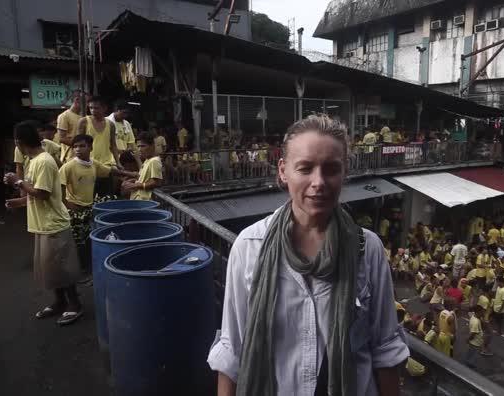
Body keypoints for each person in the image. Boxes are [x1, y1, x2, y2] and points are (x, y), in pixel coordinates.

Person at [207, 115, 408, 395]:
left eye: (331, 169)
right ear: (283, 171)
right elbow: (232, 349)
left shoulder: (367, 249)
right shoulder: (250, 246)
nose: (319, 182)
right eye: (305, 168)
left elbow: (384, 347)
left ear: (344, 172)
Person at [4, 121, 82, 326]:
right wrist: (19, 202)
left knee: (63, 268)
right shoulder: (34, 160)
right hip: (42, 223)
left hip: (53, 224)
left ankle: (74, 305)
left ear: (19, 142)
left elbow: (43, 194)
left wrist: (18, 182)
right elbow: (36, 193)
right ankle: (59, 302)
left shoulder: (44, 161)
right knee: (51, 268)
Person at [59, 134, 138, 280]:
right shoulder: (68, 166)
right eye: (75, 146)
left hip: (89, 207)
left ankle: (90, 270)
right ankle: (80, 273)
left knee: (89, 240)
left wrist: (130, 173)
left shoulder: (93, 163)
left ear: (90, 147)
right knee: (78, 243)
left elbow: (110, 171)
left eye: (82, 146)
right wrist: (68, 205)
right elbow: (59, 187)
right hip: (75, 210)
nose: (78, 149)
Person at [122, 132, 163, 201]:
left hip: (145, 201)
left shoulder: (154, 161)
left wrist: (135, 185)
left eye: (143, 146)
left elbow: (156, 182)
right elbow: (144, 179)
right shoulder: (147, 160)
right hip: (138, 199)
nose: (140, 149)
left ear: (152, 146)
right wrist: (133, 181)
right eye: (138, 146)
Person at [57, 91, 86, 163]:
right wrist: (81, 147)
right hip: (70, 158)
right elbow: (62, 138)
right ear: (77, 100)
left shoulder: (84, 117)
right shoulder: (64, 116)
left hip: (83, 157)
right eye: (86, 102)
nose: (87, 105)